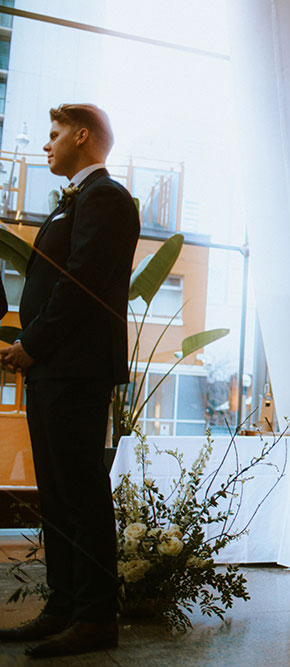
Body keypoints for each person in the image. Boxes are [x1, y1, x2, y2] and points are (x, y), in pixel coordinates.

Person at [0, 104, 139, 658]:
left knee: (81, 491)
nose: (46, 145)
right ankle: (62, 604)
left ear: (83, 137)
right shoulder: (74, 201)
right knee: (57, 495)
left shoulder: (106, 197)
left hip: (76, 367)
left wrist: (32, 344)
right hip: (55, 367)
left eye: (54, 135)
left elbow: (81, 282)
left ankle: (96, 616)